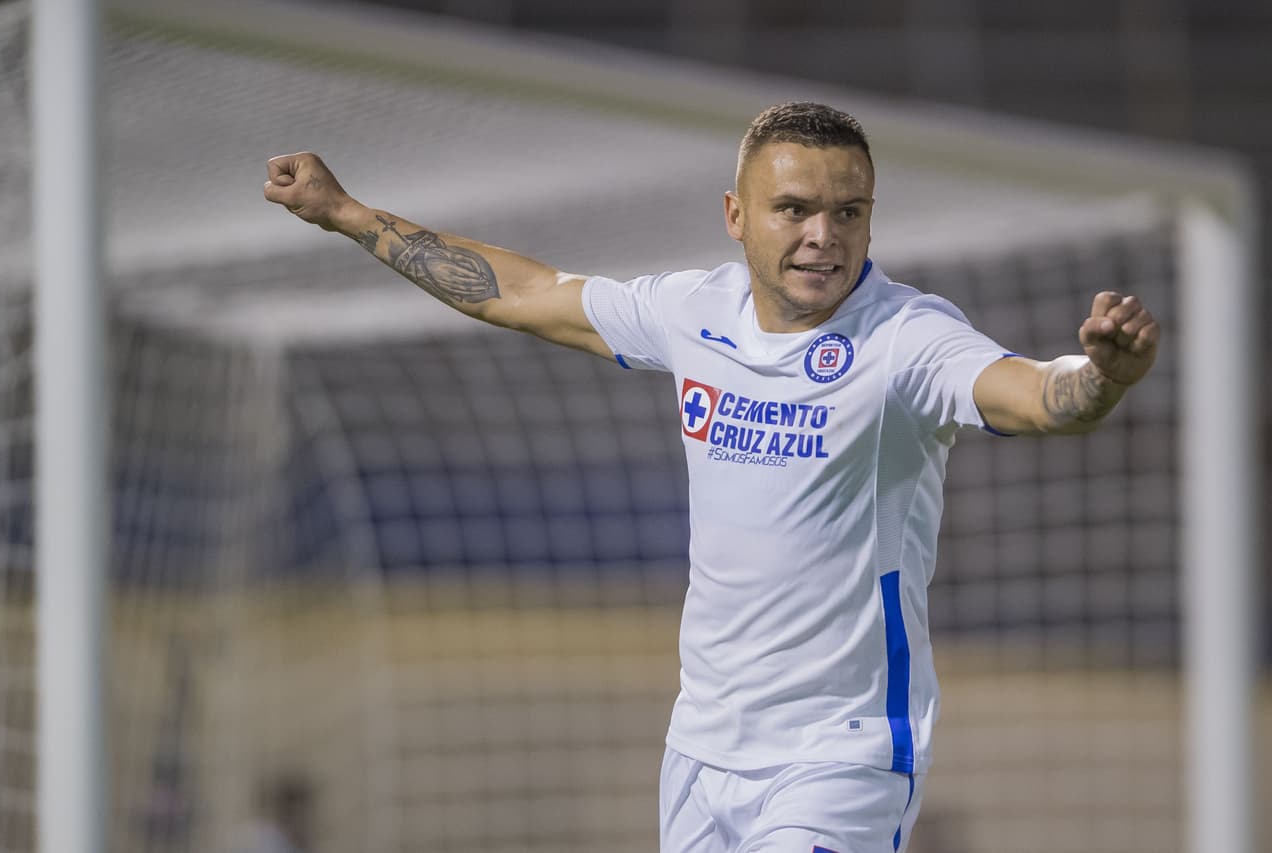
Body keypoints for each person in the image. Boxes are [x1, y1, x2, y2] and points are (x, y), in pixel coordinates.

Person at [264, 102, 1158, 853]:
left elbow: (1037, 396)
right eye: (796, 209)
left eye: (850, 212)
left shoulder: (908, 339)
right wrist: (347, 213)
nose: (824, 236)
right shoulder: (694, 314)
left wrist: (1101, 378)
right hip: (699, 750)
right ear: (736, 215)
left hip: (837, 760)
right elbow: (523, 292)